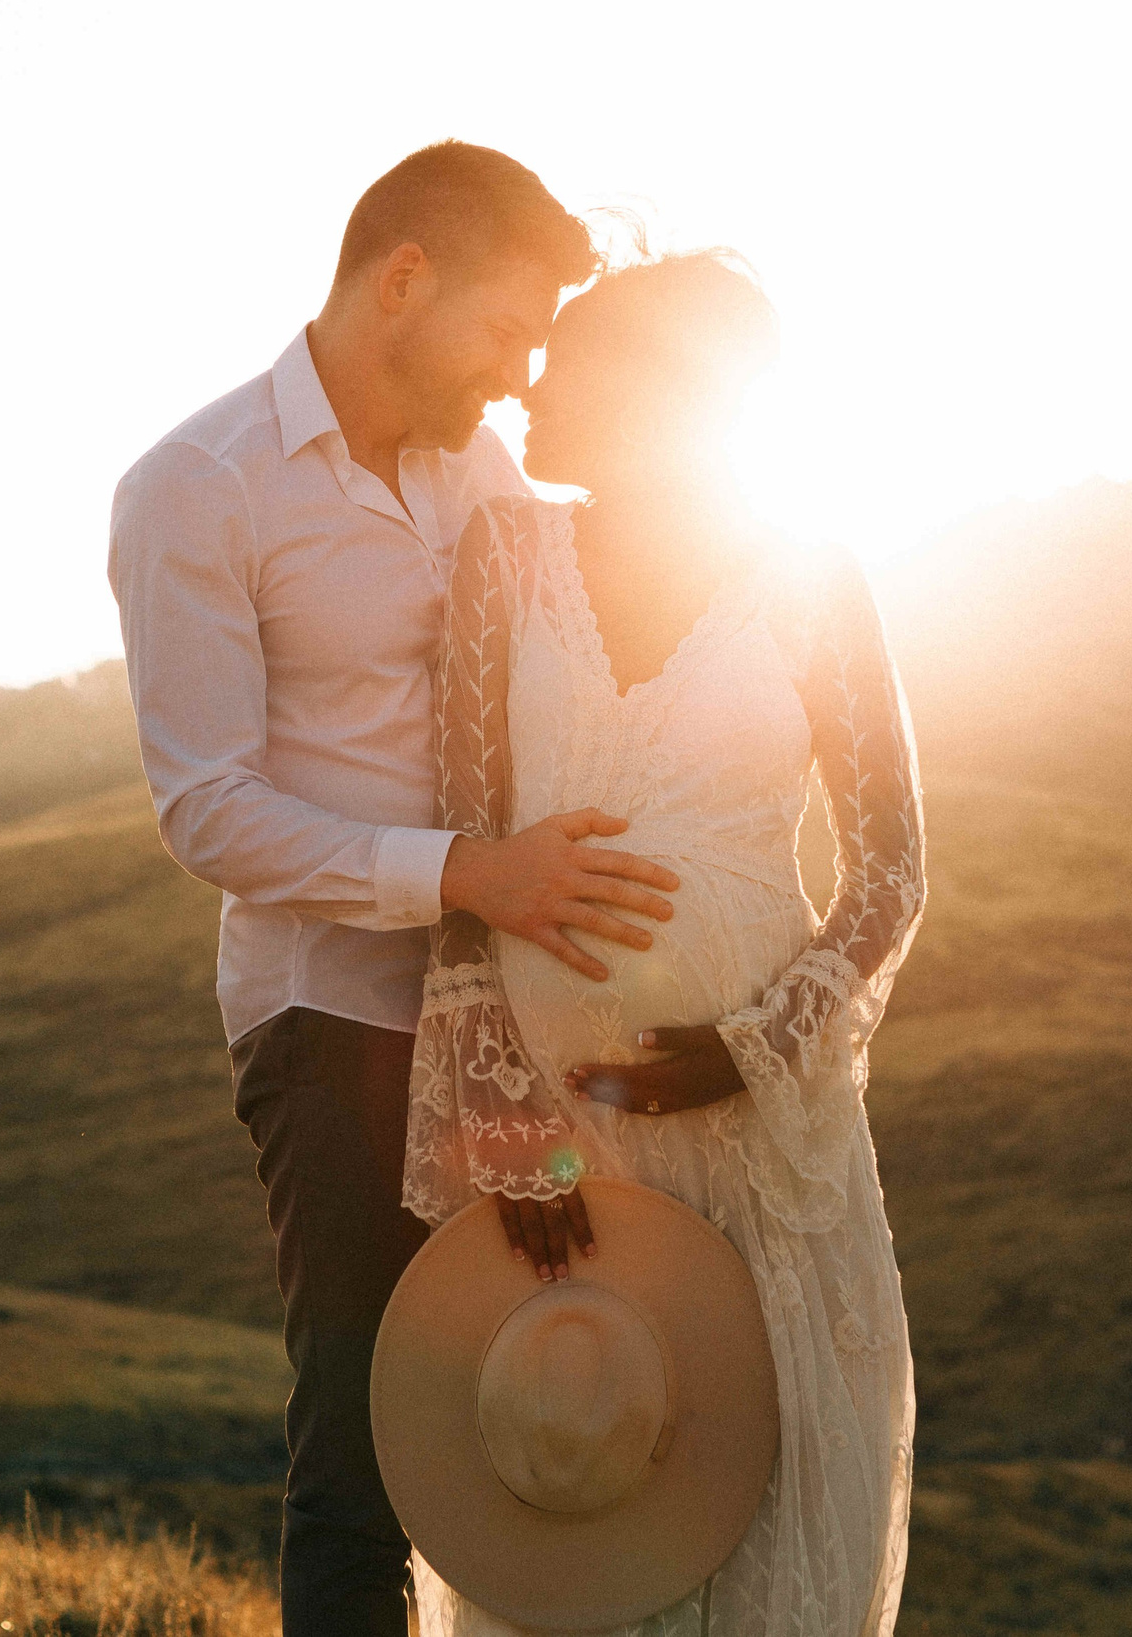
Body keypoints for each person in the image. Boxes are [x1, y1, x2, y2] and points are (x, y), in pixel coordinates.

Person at [106, 142, 683, 1637]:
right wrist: (464, 876)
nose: (516, 377)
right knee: (367, 1427)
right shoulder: (195, 489)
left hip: (517, 1028)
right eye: (505, 330)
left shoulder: (479, 469)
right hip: (333, 1024)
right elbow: (208, 811)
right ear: (402, 281)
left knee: (536, 1380)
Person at [402, 250, 927, 1636]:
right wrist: (506, 1120)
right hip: (562, 1127)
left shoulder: (812, 575)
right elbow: (462, 864)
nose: (531, 395)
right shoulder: (503, 557)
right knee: (576, 1478)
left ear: (659, 391)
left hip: (762, 1136)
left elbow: (890, 869)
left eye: (568, 368)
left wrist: (758, 1046)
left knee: (759, 1507)